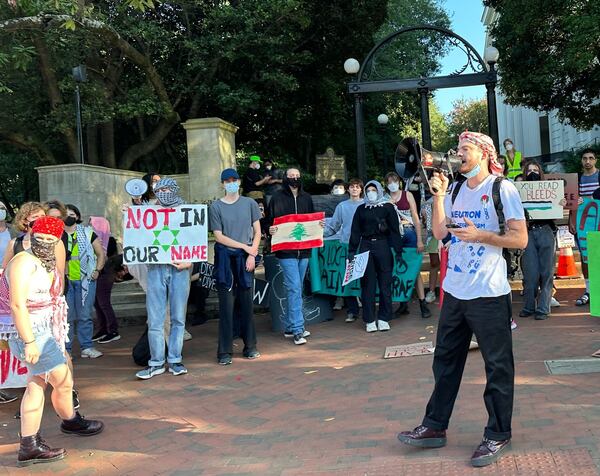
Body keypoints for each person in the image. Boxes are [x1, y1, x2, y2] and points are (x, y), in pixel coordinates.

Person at [398, 131, 527, 468]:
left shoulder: (502, 189)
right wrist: (439, 196)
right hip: (455, 291)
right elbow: (441, 234)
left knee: (497, 366)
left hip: (488, 293)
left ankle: (498, 433)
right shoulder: (454, 188)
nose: (459, 155)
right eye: (457, 149)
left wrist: (481, 235)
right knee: (445, 362)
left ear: (485, 154)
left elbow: (521, 239)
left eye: (466, 149)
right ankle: (435, 426)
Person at [1, 217, 103, 467]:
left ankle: (68, 421)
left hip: (44, 329)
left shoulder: (42, 262)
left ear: (58, 240)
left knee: (57, 381)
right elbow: (16, 304)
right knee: (42, 383)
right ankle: (31, 444)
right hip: (30, 332)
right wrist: (29, 342)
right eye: (41, 237)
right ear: (32, 235)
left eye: (51, 239)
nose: (45, 242)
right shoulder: (23, 262)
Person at [136, 178, 192, 379]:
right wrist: (131, 215)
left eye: (168, 188)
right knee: (156, 319)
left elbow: (195, 240)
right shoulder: (146, 212)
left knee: (178, 318)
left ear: (175, 190)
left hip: (180, 270)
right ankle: (156, 362)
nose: (164, 192)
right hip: (156, 269)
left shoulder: (188, 211)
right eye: (160, 189)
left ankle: (175, 359)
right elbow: (137, 236)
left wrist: (190, 262)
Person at [210, 168, 262, 365]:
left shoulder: (249, 203)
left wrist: (252, 253)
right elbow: (219, 236)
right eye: (227, 180)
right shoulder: (216, 206)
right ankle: (224, 351)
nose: (231, 183)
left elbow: (257, 232)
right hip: (225, 259)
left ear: (239, 182)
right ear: (222, 184)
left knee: (247, 304)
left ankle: (250, 346)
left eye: (234, 179)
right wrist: (245, 247)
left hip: (246, 258)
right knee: (226, 306)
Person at [267, 168, 319, 345]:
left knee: (295, 288)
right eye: (291, 176)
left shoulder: (307, 198)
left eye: (297, 176)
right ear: (285, 179)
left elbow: (312, 220)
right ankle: (298, 329)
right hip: (285, 250)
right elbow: (268, 221)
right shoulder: (276, 198)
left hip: (304, 250)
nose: (295, 179)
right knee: (295, 287)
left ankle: (290, 326)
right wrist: (270, 229)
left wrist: (318, 224)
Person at [349, 180, 403, 332]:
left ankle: (384, 317)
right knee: (368, 284)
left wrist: (398, 251)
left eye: (374, 189)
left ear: (379, 190)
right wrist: (352, 250)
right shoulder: (361, 209)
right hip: (366, 246)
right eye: (368, 190)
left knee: (385, 283)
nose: (371, 193)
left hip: (383, 245)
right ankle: (369, 319)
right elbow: (355, 230)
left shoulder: (387, 208)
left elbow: (394, 230)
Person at [519, 161, 562, 320]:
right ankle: (529, 306)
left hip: (546, 230)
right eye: (529, 171)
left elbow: (557, 212)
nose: (532, 173)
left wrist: (562, 203)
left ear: (541, 173)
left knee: (547, 271)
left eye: (535, 170)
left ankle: (543, 307)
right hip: (528, 232)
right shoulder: (518, 192)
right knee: (530, 272)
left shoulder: (551, 190)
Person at [385, 172, 431, 318]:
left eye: (394, 181)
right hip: (394, 236)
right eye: (389, 182)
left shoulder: (407, 195)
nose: (392, 184)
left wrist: (419, 239)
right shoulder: (385, 199)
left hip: (409, 232)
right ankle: (402, 303)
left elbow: (415, 217)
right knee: (397, 269)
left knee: (414, 268)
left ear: (398, 182)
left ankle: (423, 303)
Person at [63, 205, 106, 359]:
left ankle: (86, 347)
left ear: (78, 216)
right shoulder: (57, 235)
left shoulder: (88, 233)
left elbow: (100, 254)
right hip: (65, 282)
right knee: (66, 317)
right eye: (65, 214)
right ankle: (66, 350)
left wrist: (97, 270)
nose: (69, 216)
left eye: (72, 214)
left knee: (85, 315)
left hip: (86, 280)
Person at [324, 178, 364, 322]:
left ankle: (367, 308)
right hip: (347, 245)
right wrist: (318, 234)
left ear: (361, 189)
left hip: (364, 245)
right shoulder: (342, 206)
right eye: (352, 187)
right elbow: (334, 226)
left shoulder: (367, 204)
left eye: (357, 187)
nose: (354, 189)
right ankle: (352, 311)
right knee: (348, 278)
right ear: (348, 189)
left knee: (364, 278)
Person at [569, 149, 599, 306]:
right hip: (582, 225)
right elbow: (571, 202)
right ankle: (589, 290)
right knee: (585, 259)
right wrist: (571, 221)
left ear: (595, 160)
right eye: (585, 158)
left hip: (598, 224)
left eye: (591, 158)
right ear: (581, 160)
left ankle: (596, 290)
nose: (588, 161)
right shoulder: (577, 180)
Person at [89, 216, 121, 344]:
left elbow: (110, 258)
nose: (90, 226)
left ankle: (113, 331)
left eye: (92, 224)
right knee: (96, 302)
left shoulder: (110, 240)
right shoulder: (92, 238)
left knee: (103, 302)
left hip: (107, 273)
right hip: (96, 272)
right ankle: (103, 329)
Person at [2, 202, 46, 269]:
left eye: (43, 216)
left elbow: (60, 274)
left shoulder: (54, 241)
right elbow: (5, 269)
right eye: (35, 217)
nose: (40, 219)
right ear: (25, 220)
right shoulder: (14, 243)